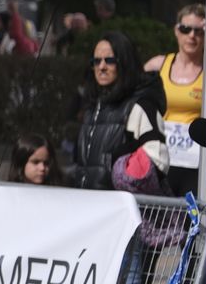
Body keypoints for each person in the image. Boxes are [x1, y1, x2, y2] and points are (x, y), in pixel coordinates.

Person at [68, 31, 167, 191]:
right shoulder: (93, 106)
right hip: (86, 203)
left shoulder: (141, 105)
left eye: (110, 61)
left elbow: (159, 162)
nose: (101, 67)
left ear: (125, 62)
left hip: (122, 208)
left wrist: (119, 163)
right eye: (96, 61)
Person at [144, 3, 205, 196]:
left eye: (199, 31)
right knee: (158, 219)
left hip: (194, 163)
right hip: (160, 159)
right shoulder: (157, 65)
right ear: (176, 30)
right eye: (186, 29)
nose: (192, 36)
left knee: (190, 221)